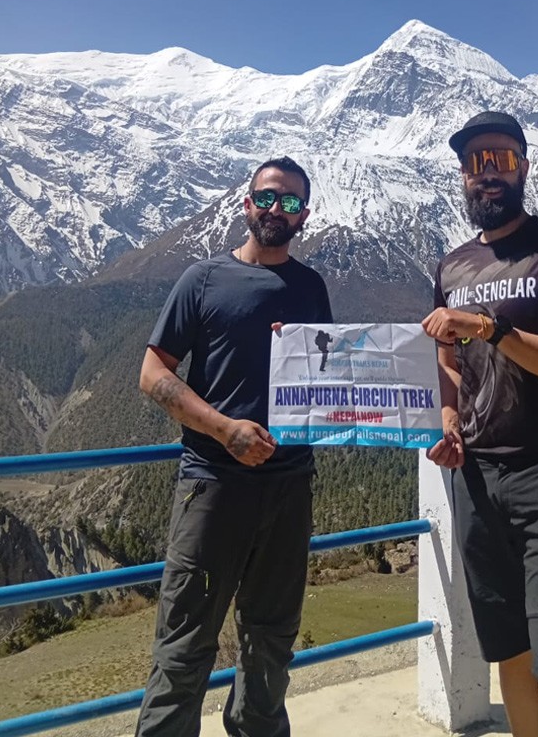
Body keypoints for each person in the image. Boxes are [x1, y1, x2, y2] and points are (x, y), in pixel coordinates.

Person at [422, 111, 538, 737]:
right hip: (478, 480)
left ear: (524, 166)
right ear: (462, 177)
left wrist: (493, 329)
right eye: (474, 163)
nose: (487, 173)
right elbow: (449, 367)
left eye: (499, 159)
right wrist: (450, 420)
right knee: (511, 654)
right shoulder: (450, 267)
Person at [136, 157, 333, 737]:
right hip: (213, 485)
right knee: (185, 644)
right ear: (246, 204)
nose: (278, 210)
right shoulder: (202, 280)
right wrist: (225, 429)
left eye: (291, 202)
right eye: (268, 198)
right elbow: (152, 373)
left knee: (272, 641)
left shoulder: (310, 286)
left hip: (289, 485)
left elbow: (326, 372)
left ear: (303, 216)